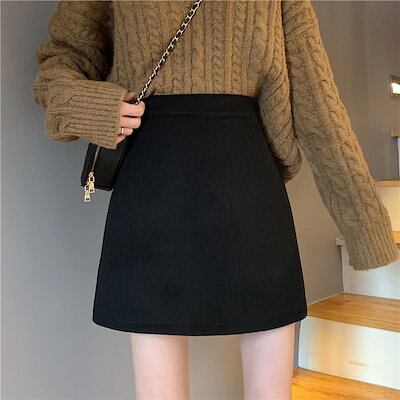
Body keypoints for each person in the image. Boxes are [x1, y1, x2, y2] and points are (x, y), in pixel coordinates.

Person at [32, 1, 398, 399]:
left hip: (249, 188)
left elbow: (316, 99)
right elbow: (61, 62)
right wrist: (93, 106)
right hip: (153, 186)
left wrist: (364, 223)